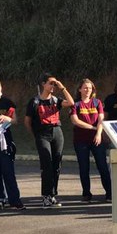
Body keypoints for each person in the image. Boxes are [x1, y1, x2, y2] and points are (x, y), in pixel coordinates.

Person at [24, 73, 75, 208]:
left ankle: (52, 195)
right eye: (51, 83)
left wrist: (62, 87)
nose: (53, 86)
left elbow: (71, 103)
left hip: (57, 132)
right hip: (42, 134)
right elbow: (27, 121)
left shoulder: (56, 100)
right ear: (43, 84)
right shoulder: (35, 101)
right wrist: (36, 135)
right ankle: (46, 196)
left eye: (54, 83)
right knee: (46, 163)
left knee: (57, 164)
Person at [70, 78, 112, 204]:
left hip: (97, 140)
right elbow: (75, 121)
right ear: (80, 89)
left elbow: (101, 119)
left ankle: (109, 193)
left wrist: (98, 133)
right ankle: (86, 194)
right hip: (81, 140)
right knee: (84, 168)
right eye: (85, 87)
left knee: (102, 166)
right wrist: (93, 128)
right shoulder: (76, 104)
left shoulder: (97, 102)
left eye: (89, 88)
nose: (87, 90)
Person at [0, 78, 25, 210]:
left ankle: (14, 200)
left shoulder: (7, 102)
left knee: (8, 171)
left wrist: (7, 118)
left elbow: (15, 120)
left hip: (5, 141)